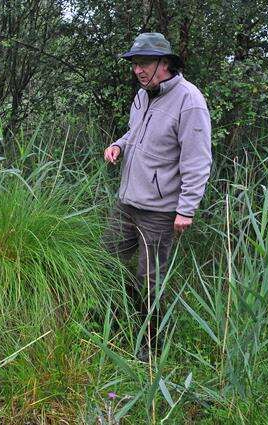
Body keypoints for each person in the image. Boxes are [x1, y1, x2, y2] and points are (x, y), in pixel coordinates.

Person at [102, 32, 212, 360]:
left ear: (164, 64)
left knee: (149, 280)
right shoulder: (141, 95)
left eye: (144, 63)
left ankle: (150, 349)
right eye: (134, 64)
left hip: (159, 211)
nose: (137, 70)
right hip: (127, 201)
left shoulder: (189, 101)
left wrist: (187, 209)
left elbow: (197, 159)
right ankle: (111, 321)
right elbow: (135, 131)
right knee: (105, 259)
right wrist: (119, 145)